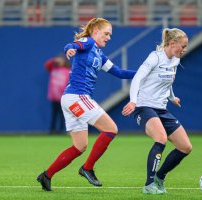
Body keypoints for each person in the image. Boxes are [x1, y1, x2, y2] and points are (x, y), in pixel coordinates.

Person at [37, 18, 136, 191]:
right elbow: (73, 45)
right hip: (77, 97)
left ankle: (46, 175)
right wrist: (69, 50)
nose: (109, 37)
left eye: (110, 35)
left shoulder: (99, 54)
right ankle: (87, 168)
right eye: (106, 33)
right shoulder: (89, 42)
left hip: (72, 99)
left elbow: (120, 73)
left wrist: (144, 73)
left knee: (79, 146)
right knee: (111, 129)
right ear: (95, 30)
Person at [122, 28, 192, 194]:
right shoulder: (155, 57)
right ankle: (149, 184)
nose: (184, 49)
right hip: (144, 106)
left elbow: (167, 82)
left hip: (161, 109)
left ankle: (160, 177)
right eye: (182, 46)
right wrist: (133, 101)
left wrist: (172, 97)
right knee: (161, 138)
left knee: (185, 147)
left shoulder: (174, 60)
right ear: (172, 43)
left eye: (186, 46)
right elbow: (138, 78)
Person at [45, 55, 71, 134]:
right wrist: (54, 60)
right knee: (54, 114)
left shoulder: (67, 70)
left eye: (61, 60)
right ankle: (52, 129)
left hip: (63, 97)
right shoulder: (53, 69)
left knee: (62, 114)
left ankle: (61, 130)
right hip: (54, 96)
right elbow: (47, 65)